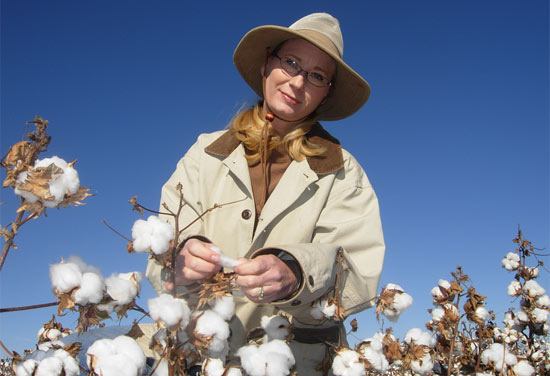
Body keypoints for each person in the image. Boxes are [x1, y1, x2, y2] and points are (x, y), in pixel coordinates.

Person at [146, 12, 385, 374]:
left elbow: (359, 273)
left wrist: (296, 272)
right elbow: (161, 241)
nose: (297, 82)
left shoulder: (343, 171)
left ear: (326, 94)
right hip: (194, 355)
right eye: (291, 63)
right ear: (266, 66)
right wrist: (178, 259)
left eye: (316, 76)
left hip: (295, 362)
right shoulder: (206, 153)